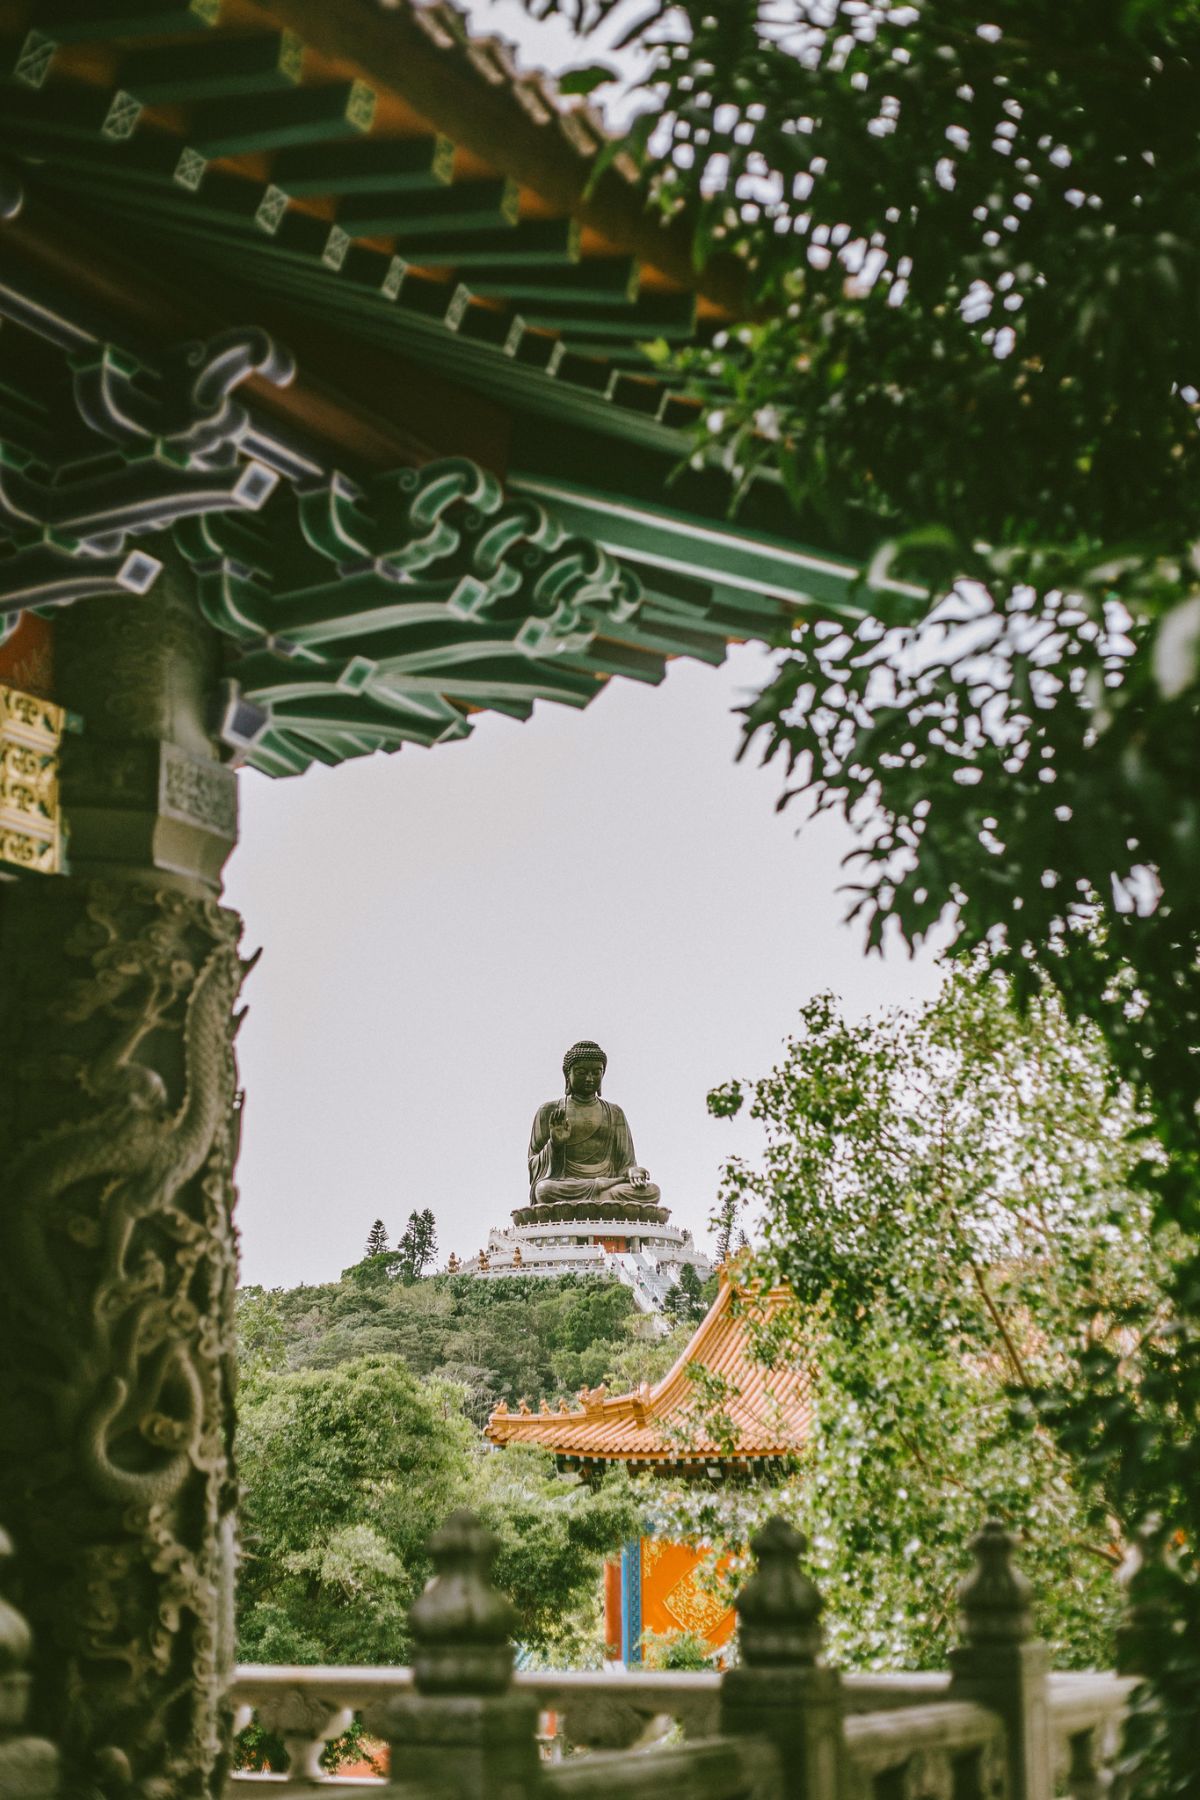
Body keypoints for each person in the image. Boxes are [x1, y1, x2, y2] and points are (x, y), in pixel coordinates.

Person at [526, 1040, 662, 1213]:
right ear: (567, 1075)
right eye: (582, 1072)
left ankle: (595, 1201)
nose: (589, 1079)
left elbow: (626, 1164)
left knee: (652, 1192)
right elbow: (533, 1168)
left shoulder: (614, 1112)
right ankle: (601, 1203)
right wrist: (556, 1144)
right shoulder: (548, 1111)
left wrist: (633, 1172)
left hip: (609, 1188)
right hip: (568, 1188)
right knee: (544, 1190)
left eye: (596, 1073)